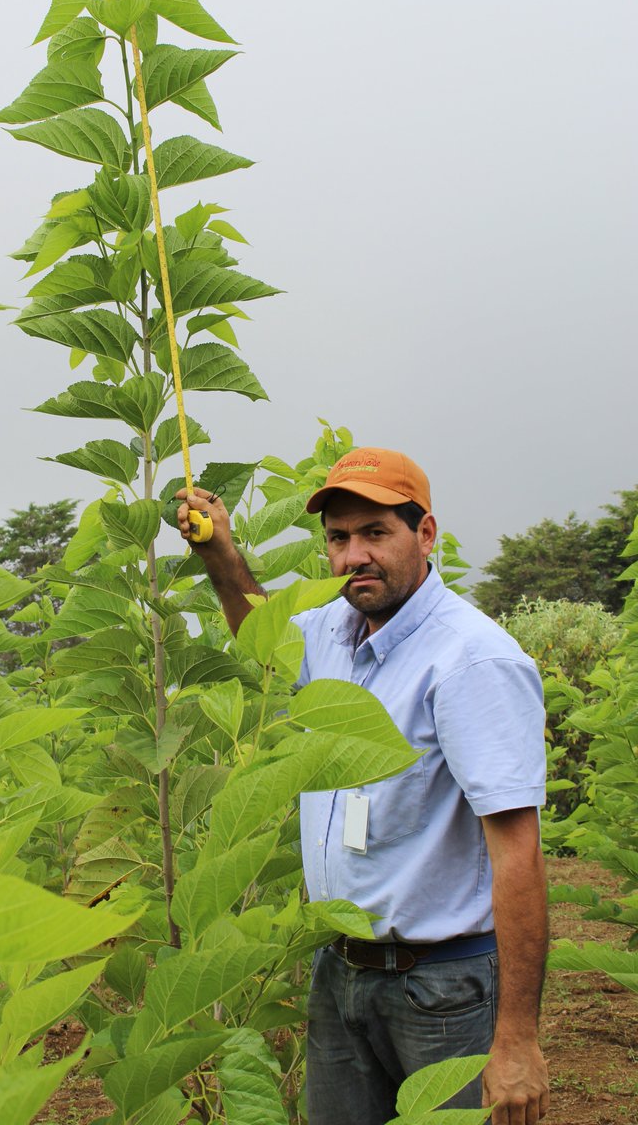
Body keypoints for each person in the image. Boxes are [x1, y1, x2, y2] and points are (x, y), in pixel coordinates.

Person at [177, 447, 550, 1125]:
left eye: (376, 533)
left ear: (425, 534)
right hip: (341, 972)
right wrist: (221, 555)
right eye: (339, 538)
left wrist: (518, 1039)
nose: (355, 556)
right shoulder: (332, 630)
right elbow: (264, 636)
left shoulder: (471, 660)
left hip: (443, 987)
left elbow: (518, 852)